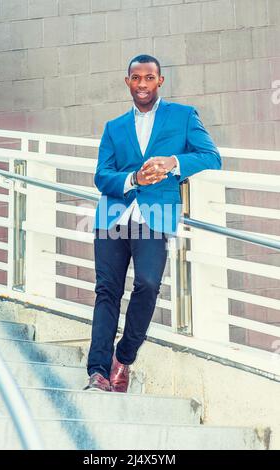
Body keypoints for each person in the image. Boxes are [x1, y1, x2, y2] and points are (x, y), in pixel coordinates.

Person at [84, 54, 221, 393]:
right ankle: (98, 371)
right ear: (127, 81)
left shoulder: (184, 116)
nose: (142, 84)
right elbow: (102, 176)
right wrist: (133, 178)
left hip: (155, 219)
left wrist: (173, 162)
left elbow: (211, 157)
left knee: (147, 284)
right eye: (135, 78)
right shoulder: (113, 127)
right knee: (107, 292)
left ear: (160, 81)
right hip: (112, 218)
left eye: (149, 78)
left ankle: (124, 356)